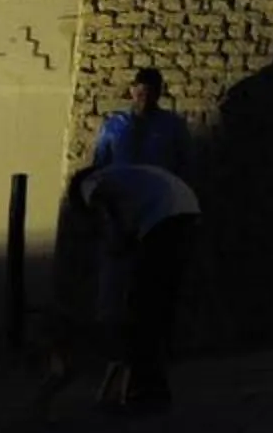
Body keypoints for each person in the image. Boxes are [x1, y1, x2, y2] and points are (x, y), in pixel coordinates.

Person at [68, 106, 204, 410]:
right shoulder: (123, 179)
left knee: (143, 308)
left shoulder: (91, 185)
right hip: (183, 210)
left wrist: (114, 246)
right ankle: (150, 385)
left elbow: (110, 219)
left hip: (166, 217)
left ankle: (142, 390)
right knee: (155, 304)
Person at [89, 67, 192, 177]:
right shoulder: (114, 126)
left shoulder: (173, 126)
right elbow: (100, 166)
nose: (145, 101)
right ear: (132, 91)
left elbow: (186, 167)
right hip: (120, 190)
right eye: (141, 95)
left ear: (158, 94)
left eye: (150, 95)